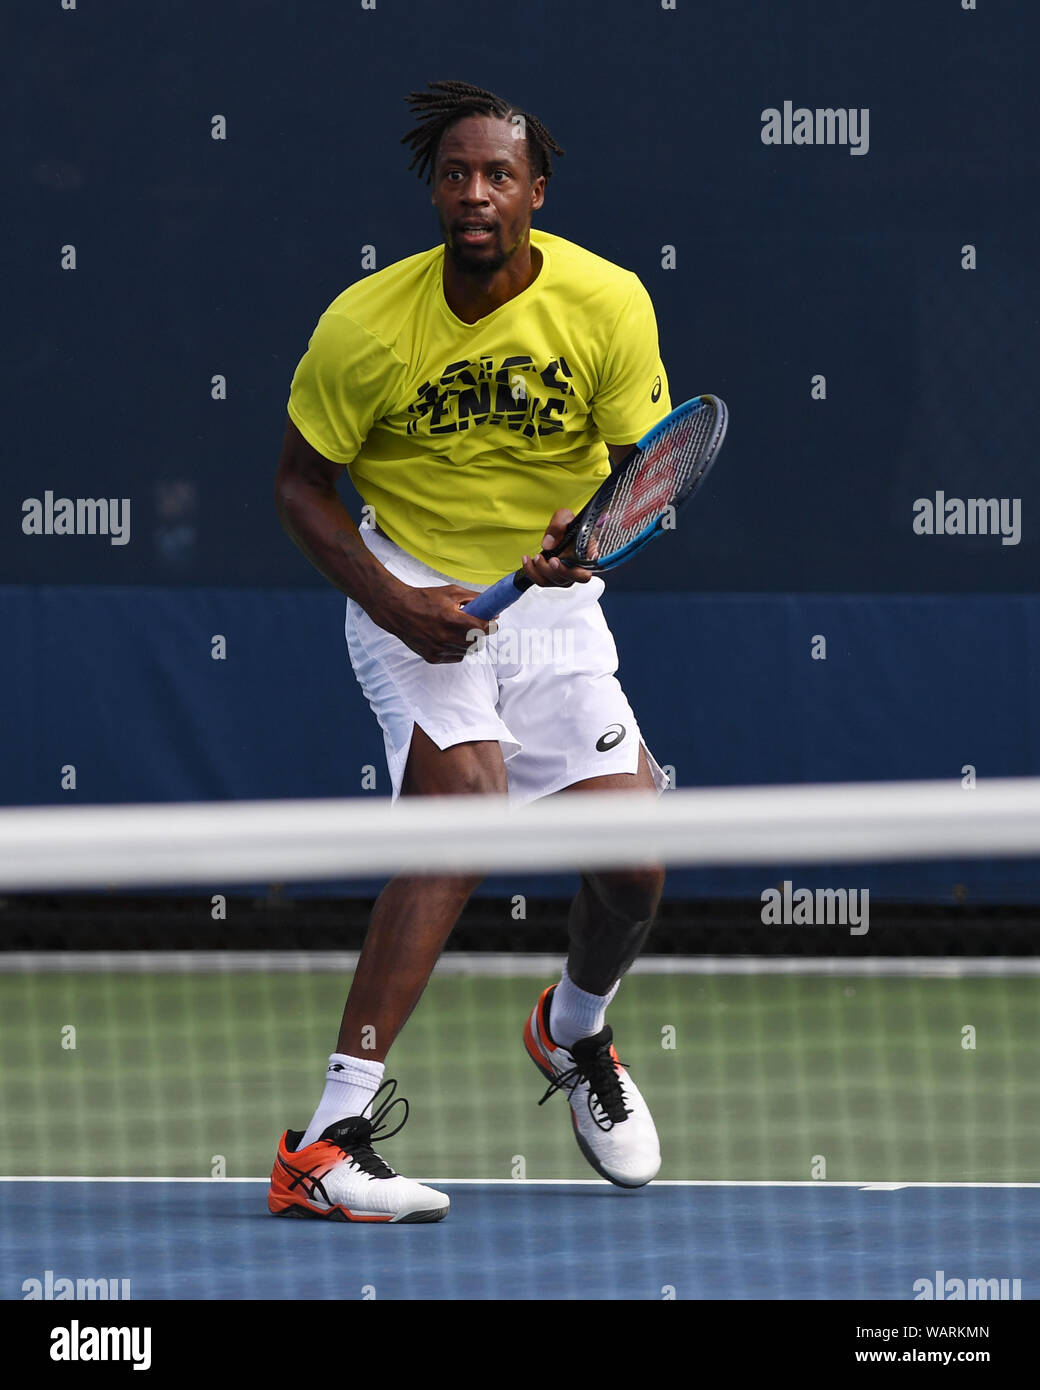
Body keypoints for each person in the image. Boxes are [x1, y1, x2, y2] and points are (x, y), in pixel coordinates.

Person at [268, 81, 670, 1224]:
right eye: (456, 173)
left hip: (547, 608)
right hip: (415, 587)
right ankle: (327, 1141)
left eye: (498, 174)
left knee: (635, 861)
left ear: (535, 191)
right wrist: (396, 601)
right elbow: (299, 486)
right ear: (433, 191)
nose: (475, 192)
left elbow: (636, 478)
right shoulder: (367, 325)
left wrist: (583, 538)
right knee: (464, 813)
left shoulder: (607, 303)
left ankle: (572, 1029)